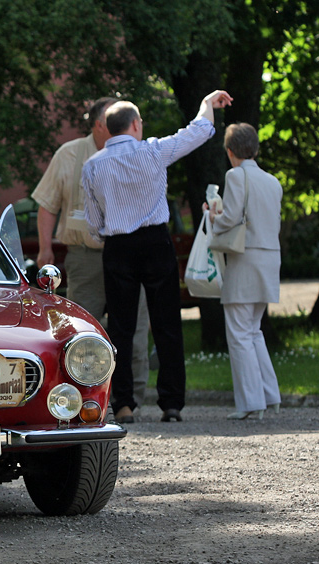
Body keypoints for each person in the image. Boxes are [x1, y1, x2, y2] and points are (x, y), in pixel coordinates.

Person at [82, 89, 234, 422]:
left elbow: (92, 220)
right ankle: (172, 403)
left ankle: (123, 403)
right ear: (136, 124)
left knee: (120, 328)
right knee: (167, 324)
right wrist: (206, 104)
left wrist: (105, 236)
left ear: (108, 128)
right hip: (154, 242)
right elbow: (197, 132)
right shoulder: (153, 151)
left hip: (118, 246)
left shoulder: (92, 165)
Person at [32, 97, 150, 423]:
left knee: (135, 331)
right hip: (86, 258)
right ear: (99, 125)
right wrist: (45, 249)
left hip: (129, 256)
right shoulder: (69, 154)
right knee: (80, 333)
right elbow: (47, 205)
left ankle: (131, 402)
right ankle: (78, 401)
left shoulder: (138, 154)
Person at [205, 123, 282, 420]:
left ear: (230, 151)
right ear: (256, 149)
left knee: (239, 333)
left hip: (245, 258)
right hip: (269, 258)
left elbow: (230, 219)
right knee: (253, 331)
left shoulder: (235, 175)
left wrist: (213, 216)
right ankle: (269, 396)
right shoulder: (273, 181)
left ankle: (251, 403)